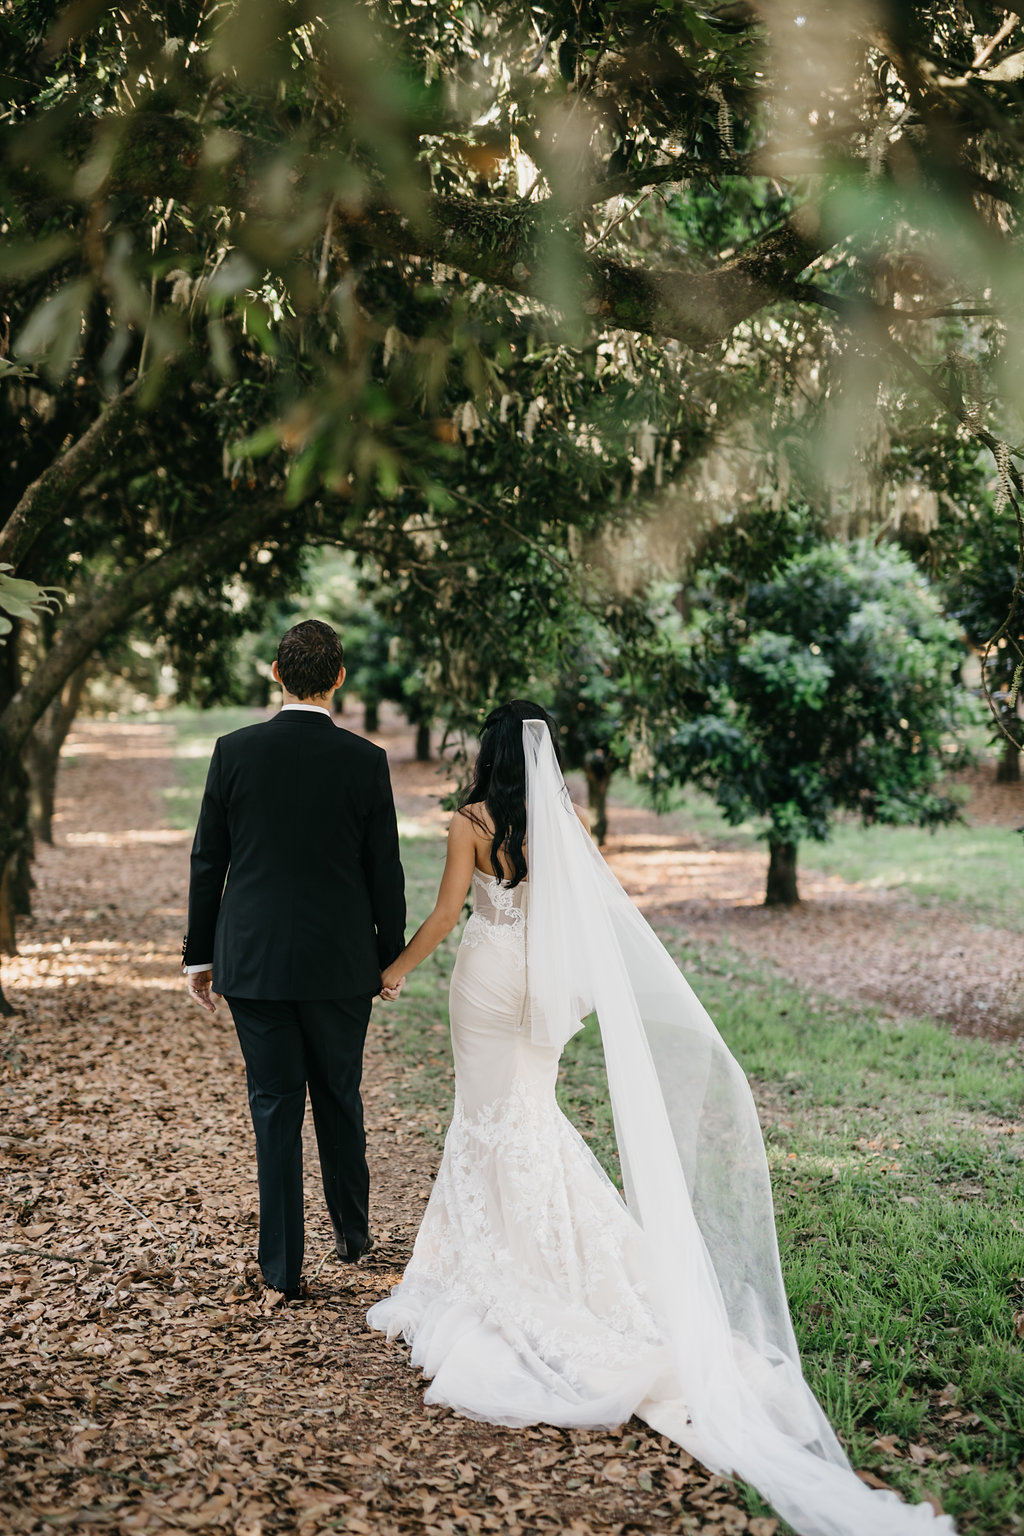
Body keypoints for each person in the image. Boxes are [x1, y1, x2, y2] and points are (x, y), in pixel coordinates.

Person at [367, 701, 955, 1536]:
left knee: (487, 1116)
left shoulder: (469, 822)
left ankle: (494, 1260)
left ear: (488, 753)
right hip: (540, 985)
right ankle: (521, 1249)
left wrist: (392, 973)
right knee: (526, 1114)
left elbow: (445, 915)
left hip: (487, 980)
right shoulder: (560, 824)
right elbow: (587, 919)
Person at [182, 619, 406, 1298]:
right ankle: (353, 1234)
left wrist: (198, 956)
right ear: (339, 679)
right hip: (341, 964)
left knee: (275, 1105)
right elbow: (385, 873)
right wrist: (388, 957)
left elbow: (207, 861)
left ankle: (281, 1269)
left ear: (277, 673)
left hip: (252, 963)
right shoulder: (366, 760)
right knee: (339, 1094)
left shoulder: (234, 751)